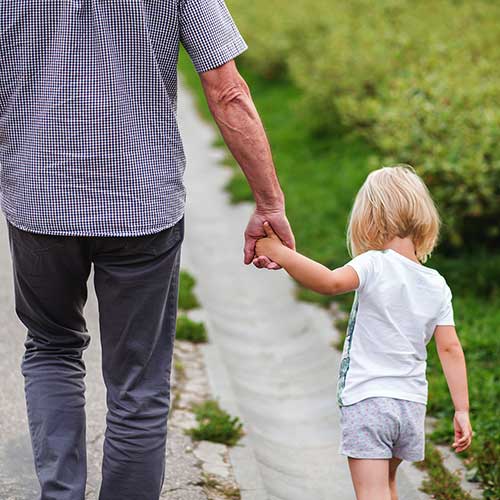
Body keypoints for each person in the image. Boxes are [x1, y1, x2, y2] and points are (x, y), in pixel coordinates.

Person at [1, 1, 294, 499]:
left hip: (38, 201)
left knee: (51, 348)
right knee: (139, 384)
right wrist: (268, 200)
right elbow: (227, 91)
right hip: (140, 205)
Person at [255, 164, 472, 500]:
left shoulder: (374, 263)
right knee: (387, 486)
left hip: (369, 401)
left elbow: (329, 283)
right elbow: (450, 349)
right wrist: (462, 410)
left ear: (369, 219)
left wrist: (282, 253)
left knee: (372, 493)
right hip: (411, 406)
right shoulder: (437, 284)